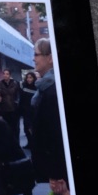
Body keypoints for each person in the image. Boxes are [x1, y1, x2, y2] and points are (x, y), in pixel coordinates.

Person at [30, 38, 67, 184]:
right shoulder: (46, 87)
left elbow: (55, 135)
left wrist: (55, 174)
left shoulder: (52, 90)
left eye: (36, 54)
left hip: (60, 172)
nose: (34, 58)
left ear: (50, 58)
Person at [0, 68, 21, 141]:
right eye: (4, 74)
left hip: (14, 109)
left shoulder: (15, 83)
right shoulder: (0, 83)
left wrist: (17, 102)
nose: (5, 75)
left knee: (15, 128)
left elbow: (19, 94)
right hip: (4, 109)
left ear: (10, 75)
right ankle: (9, 145)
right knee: (6, 128)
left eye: (7, 74)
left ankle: (16, 144)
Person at [20, 70, 38, 147]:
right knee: (26, 129)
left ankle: (35, 144)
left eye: (30, 77)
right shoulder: (24, 86)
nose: (29, 79)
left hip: (33, 112)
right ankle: (29, 143)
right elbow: (21, 99)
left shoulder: (37, 87)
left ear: (33, 78)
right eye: (27, 77)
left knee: (33, 129)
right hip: (25, 111)